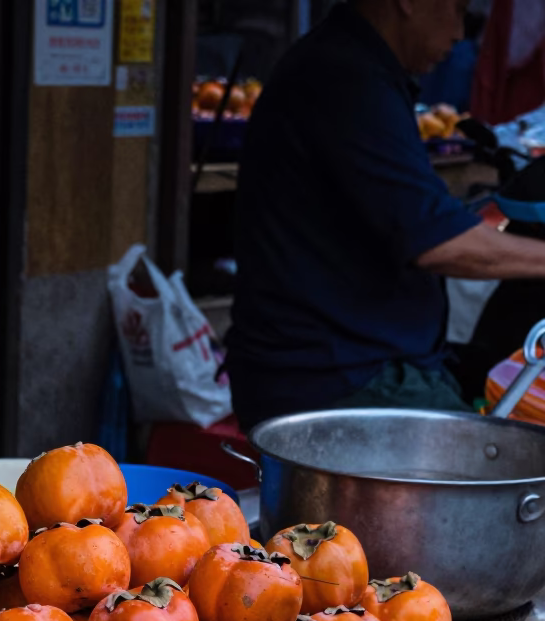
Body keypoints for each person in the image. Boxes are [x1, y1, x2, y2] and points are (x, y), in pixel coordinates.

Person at [226, 0, 545, 431]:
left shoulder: (357, 71)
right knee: (505, 479)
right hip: (338, 381)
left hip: (352, 364)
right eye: (456, 10)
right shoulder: (346, 82)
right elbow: (437, 241)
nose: (458, 32)